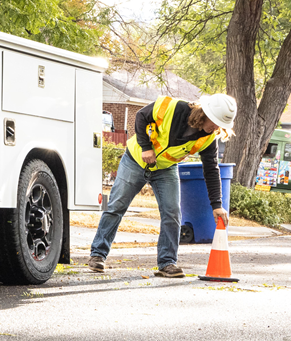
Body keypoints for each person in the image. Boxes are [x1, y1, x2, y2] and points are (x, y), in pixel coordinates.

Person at [88, 93, 237, 278]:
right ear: (204, 113)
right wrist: (145, 147)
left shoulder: (208, 139)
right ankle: (97, 255)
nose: (216, 127)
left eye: (220, 125)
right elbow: (141, 116)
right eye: (214, 121)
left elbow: (211, 170)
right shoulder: (173, 108)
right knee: (116, 207)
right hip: (135, 161)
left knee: (172, 212)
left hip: (165, 169)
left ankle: (167, 263)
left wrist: (217, 205)